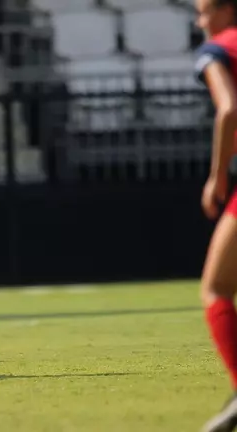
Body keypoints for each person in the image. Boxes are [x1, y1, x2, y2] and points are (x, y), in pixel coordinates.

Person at [195, 0, 237, 430]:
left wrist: (217, 176)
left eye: (204, 11)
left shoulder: (219, 49)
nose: (199, 21)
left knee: (217, 288)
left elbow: (228, 108)